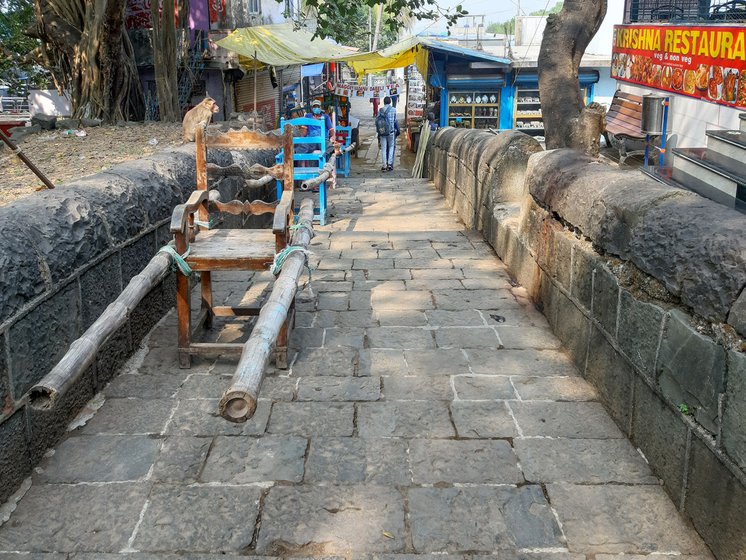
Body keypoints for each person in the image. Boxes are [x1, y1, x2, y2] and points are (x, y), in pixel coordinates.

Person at [376, 96, 399, 172]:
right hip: (391, 132)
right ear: (390, 102)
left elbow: (377, 121)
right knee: (391, 147)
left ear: (384, 102)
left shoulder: (381, 110)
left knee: (383, 148)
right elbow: (395, 120)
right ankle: (390, 164)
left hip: (382, 132)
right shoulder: (393, 110)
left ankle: (384, 166)